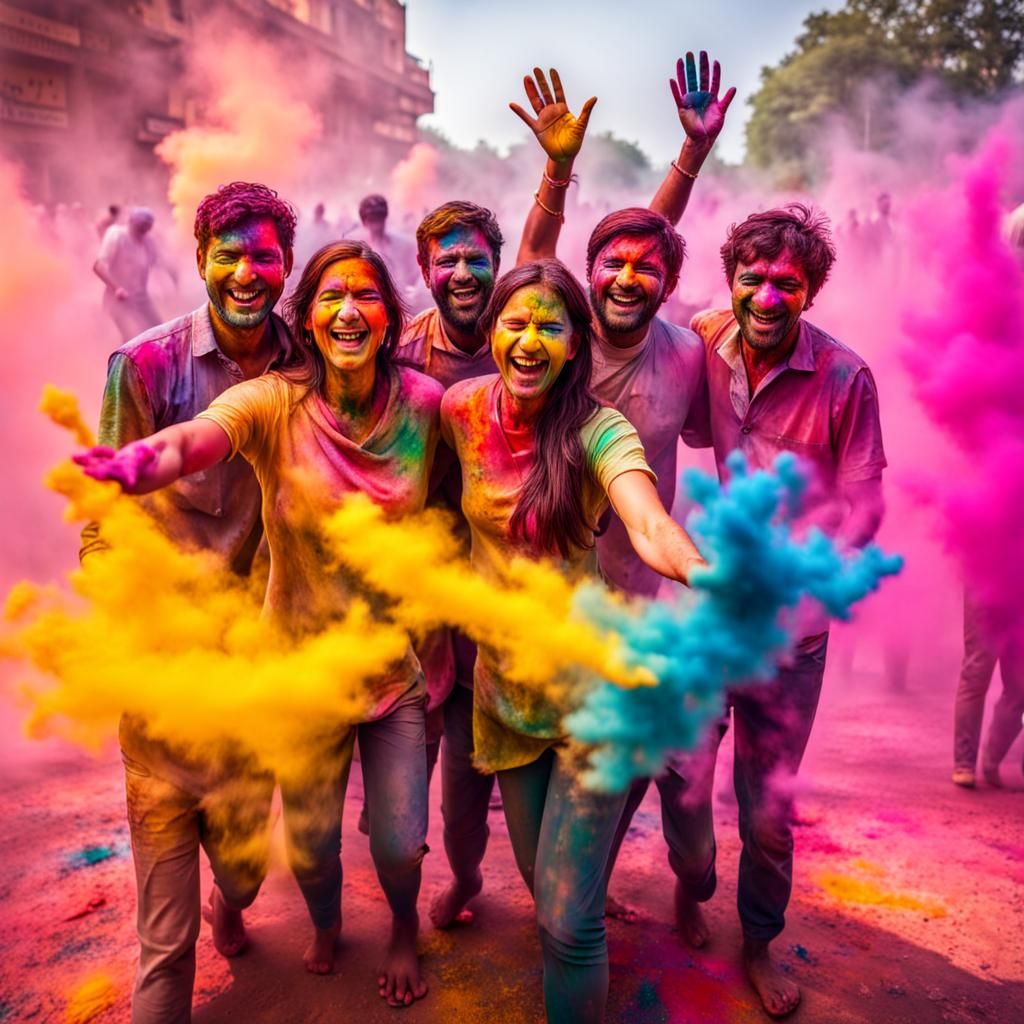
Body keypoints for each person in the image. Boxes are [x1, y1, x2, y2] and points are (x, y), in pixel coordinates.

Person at [442, 258, 707, 1023]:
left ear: (572, 344)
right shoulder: (458, 411)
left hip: (595, 696)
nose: (529, 339)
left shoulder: (600, 428)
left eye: (549, 326)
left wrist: (697, 570)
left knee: (565, 920)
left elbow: (648, 520)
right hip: (506, 694)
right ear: (491, 331)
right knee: (542, 889)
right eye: (515, 322)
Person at [512, 56, 731, 941]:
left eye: (647, 269)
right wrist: (559, 172)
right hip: (564, 610)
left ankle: (693, 879)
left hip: (654, 609)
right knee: (582, 791)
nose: (627, 278)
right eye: (609, 265)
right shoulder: (553, 339)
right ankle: (580, 909)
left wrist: (692, 154)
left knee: (686, 804)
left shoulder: (690, 354)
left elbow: (647, 243)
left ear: (671, 283)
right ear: (585, 275)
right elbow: (536, 261)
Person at [79, 181, 298, 1024]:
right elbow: (106, 513)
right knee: (163, 952)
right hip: (166, 683)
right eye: (230, 253)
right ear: (200, 257)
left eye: (264, 255)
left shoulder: (310, 365)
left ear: (285, 264)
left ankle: (231, 905)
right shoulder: (145, 365)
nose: (248, 271)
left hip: (261, 671)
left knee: (241, 873)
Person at [683, 205, 887, 1018]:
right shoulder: (702, 338)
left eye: (787, 284)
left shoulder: (846, 377)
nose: (767, 296)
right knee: (682, 778)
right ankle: (689, 884)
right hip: (709, 614)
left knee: (766, 809)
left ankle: (758, 944)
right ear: (730, 280)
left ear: (812, 292)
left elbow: (867, 509)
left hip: (791, 633)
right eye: (753, 279)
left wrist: (799, 570)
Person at [390, 200, 507, 929]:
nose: (463, 273)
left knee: (466, 777)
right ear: (425, 270)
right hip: (412, 596)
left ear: (498, 264)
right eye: (448, 260)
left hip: (493, 595)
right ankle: (398, 890)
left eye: (476, 258)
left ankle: (465, 879)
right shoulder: (394, 350)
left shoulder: (523, 337)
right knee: (403, 780)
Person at [952, 591, 1024, 788]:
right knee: (976, 674)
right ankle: (965, 764)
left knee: (1019, 690)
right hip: (986, 584)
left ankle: (991, 759)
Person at [93, 207, 177, 342]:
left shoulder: (148, 241)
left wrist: (170, 276)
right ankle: (121, 362)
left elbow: (158, 264)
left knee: (160, 334)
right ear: (131, 222)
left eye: (146, 228)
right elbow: (98, 267)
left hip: (141, 299)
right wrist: (117, 288)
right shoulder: (116, 235)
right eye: (140, 227)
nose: (143, 231)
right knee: (131, 337)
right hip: (119, 301)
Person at [348, 193, 423, 305]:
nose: (376, 224)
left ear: (385, 217)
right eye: (372, 219)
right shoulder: (353, 244)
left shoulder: (404, 244)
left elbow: (418, 274)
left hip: (398, 304)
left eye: (379, 217)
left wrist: (414, 293)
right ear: (364, 220)